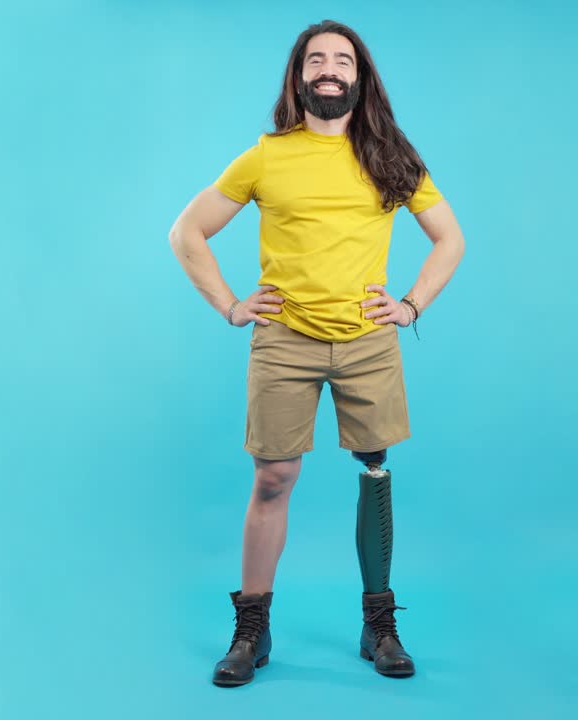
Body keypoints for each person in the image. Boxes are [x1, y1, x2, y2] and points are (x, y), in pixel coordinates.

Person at [168, 19, 465, 687]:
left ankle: (378, 623)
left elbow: (450, 240)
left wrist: (411, 304)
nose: (329, 68)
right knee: (273, 479)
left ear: (360, 77)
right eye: (316, 59)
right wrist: (229, 304)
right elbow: (187, 231)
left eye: (342, 59)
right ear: (298, 76)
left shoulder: (390, 155)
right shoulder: (267, 157)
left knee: (375, 471)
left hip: (368, 342)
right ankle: (252, 627)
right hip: (285, 341)